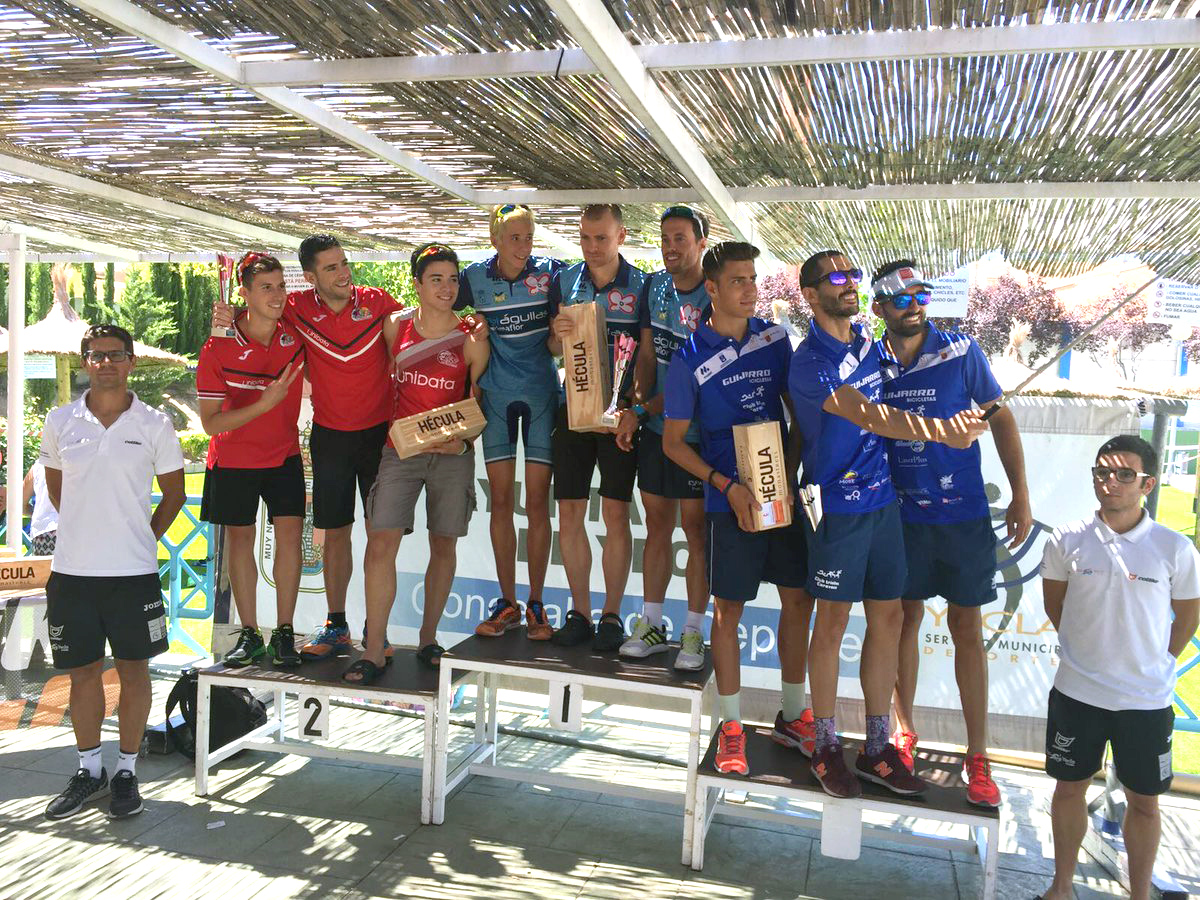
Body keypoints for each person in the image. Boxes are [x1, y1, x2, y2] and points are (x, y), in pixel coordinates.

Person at [789, 249, 987, 799]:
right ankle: (825, 744)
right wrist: (941, 430)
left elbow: (919, 362)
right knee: (832, 624)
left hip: (884, 507)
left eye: (853, 275)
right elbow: (866, 414)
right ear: (810, 295)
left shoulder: (869, 345)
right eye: (836, 277)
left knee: (891, 618)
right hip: (836, 507)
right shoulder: (809, 361)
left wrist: (962, 414)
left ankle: (877, 746)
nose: (849, 283)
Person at [873, 258, 1031, 808]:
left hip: (962, 516)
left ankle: (978, 754)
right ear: (879, 307)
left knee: (967, 627)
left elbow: (1000, 417)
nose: (914, 305)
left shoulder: (962, 350)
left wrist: (1021, 494)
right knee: (903, 621)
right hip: (899, 517)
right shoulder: (869, 359)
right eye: (901, 298)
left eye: (921, 294)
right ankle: (904, 733)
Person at [213, 235, 405, 660]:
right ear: (311, 277)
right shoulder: (296, 308)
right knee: (335, 534)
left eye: (345, 263)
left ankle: (377, 631)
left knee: (380, 537)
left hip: (380, 436)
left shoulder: (377, 302)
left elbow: (421, 325)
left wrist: (468, 326)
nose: (344, 273)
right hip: (330, 435)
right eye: (331, 268)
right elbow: (257, 313)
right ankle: (336, 625)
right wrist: (230, 315)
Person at [663, 241, 812, 775]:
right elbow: (673, 444)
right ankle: (730, 727)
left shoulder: (775, 338)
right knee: (728, 614)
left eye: (753, 279)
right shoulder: (688, 357)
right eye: (738, 281)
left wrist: (786, 477)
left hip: (780, 493)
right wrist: (726, 486)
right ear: (712, 288)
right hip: (730, 502)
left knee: (799, 600)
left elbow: (797, 416)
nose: (750, 290)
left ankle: (793, 716)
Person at [1039, 435, 1199, 900]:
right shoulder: (1066, 538)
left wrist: (1159, 660)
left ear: (1147, 484)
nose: (1110, 482)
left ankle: (1140, 895)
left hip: (1145, 702)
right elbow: (1056, 607)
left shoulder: (1174, 547)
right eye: (1102, 472)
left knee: (1144, 803)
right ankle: (1061, 888)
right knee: (1068, 790)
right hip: (1077, 693)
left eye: (1125, 474)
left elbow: (1188, 616)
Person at [41, 324, 186, 821]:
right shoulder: (60, 420)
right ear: (85, 361)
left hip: (132, 574)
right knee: (82, 674)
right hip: (72, 573)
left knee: (134, 671)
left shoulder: (155, 424)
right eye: (96, 355)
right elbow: (58, 490)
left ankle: (126, 771)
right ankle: (89, 771)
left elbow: (175, 494)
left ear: (131, 362)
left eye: (116, 354)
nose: (106, 363)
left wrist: (143, 538)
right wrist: (86, 532)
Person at [345, 243, 489, 683]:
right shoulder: (395, 325)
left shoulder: (472, 337)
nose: (446, 288)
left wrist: (462, 444)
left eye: (452, 279)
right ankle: (374, 649)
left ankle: (429, 640)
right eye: (436, 279)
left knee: (443, 545)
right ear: (417, 284)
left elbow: (479, 402)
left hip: (451, 457)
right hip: (400, 451)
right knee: (380, 543)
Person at [456, 204, 561, 640]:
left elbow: (565, 332)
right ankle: (507, 602)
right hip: (496, 397)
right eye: (514, 238)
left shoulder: (551, 273)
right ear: (494, 239)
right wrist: (468, 328)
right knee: (500, 501)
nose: (524, 246)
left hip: (541, 394)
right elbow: (439, 308)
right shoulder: (472, 277)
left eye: (529, 237)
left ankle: (536, 602)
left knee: (537, 503)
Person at [615, 206, 712, 671]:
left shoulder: (714, 294)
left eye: (680, 238)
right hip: (656, 429)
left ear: (701, 244)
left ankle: (693, 633)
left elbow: (694, 379)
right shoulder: (654, 286)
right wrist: (636, 404)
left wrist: (641, 410)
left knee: (695, 530)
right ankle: (650, 624)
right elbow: (648, 355)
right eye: (665, 238)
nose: (670, 247)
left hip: (697, 435)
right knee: (656, 526)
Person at [545, 204, 646, 649]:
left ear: (621, 236)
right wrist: (557, 331)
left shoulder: (643, 284)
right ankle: (580, 612)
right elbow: (552, 347)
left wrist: (633, 408)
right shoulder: (565, 279)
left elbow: (647, 354)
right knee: (569, 511)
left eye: (601, 238)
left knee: (615, 513)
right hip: (573, 411)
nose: (591, 247)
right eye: (585, 237)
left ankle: (612, 616)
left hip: (619, 415)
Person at [199, 253, 305, 667]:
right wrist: (264, 403)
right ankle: (249, 633)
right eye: (266, 288)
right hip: (233, 459)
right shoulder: (217, 346)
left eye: (281, 286)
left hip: (284, 455)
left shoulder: (294, 335)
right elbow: (210, 423)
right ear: (244, 293)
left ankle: (284, 632)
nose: (277, 296)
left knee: (290, 537)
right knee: (240, 541)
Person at [26, 460, 59, 556]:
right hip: (77, 530)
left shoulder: (38, 465)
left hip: (44, 531)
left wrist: (34, 513)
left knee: (43, 566)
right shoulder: (82, 459)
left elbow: (20, 503)